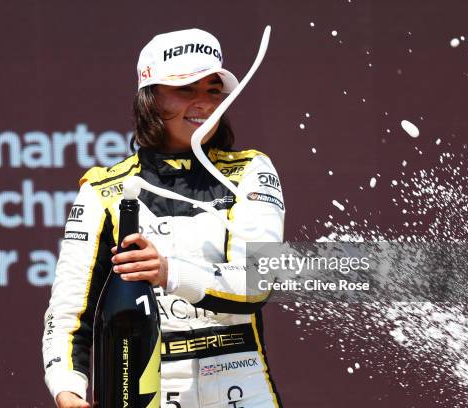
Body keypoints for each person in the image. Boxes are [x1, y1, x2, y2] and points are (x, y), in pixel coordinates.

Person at [42, 28, 285, 408]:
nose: (203, 103)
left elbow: (259, 281)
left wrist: (168, 271)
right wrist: (66, 387)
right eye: (186, 89)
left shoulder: (251, 171)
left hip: (243, 381)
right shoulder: (102, 191)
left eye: (213, 90)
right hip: (146, 386)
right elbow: (70, 309)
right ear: (150, 98)